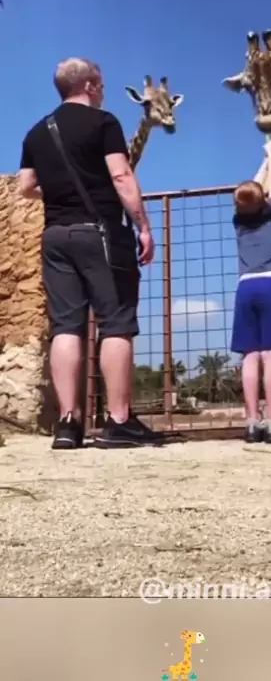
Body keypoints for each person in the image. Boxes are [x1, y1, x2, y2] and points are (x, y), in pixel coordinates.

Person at [18, 57, 161, 450]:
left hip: (55, 236)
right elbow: (121, 175)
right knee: (116, 322)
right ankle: (119, 421)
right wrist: (144, 227)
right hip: (100, 233)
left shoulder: (36, 132)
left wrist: (58, 192)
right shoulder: (104, 123)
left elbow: (26, 187)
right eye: (102, 85)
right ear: (91, 85)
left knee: (66, 326)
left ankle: (68, 424)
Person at [230, 140, 271, 444]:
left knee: (250, 355)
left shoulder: (238, 220)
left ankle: (252, 421)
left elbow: (250, 193)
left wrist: (264, 162)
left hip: (246, 286)